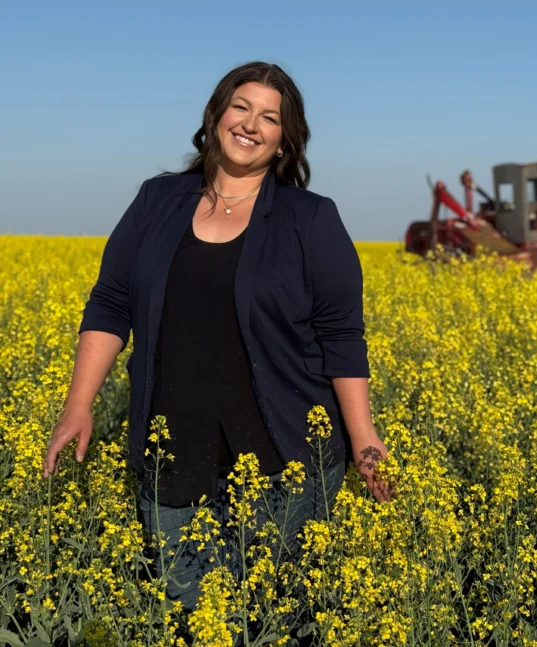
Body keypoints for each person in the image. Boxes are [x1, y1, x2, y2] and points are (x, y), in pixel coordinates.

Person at [41, 61, 393, 617]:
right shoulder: (157, 202)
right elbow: (111, 303)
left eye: (270, 118)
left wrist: (364, 438)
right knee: (192, 612)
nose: (251, 124)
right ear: (216, 115)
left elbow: (341, 335)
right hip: (173, 452)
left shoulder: (310, 219)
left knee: (273, 615)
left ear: (284, 140)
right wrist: (78, 404)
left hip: (288, 458)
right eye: (241, 107)